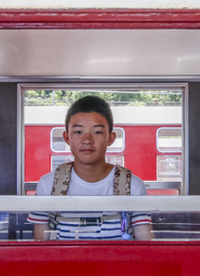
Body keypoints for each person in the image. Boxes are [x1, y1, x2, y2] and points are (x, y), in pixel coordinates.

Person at [29, 96, 154, 241]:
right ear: (67, 138)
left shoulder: (132, 185)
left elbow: (146, 247)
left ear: (110, 138)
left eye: (97, 132)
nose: (87, 140)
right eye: (78, 132)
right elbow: (41, 248)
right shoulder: (48, 185)